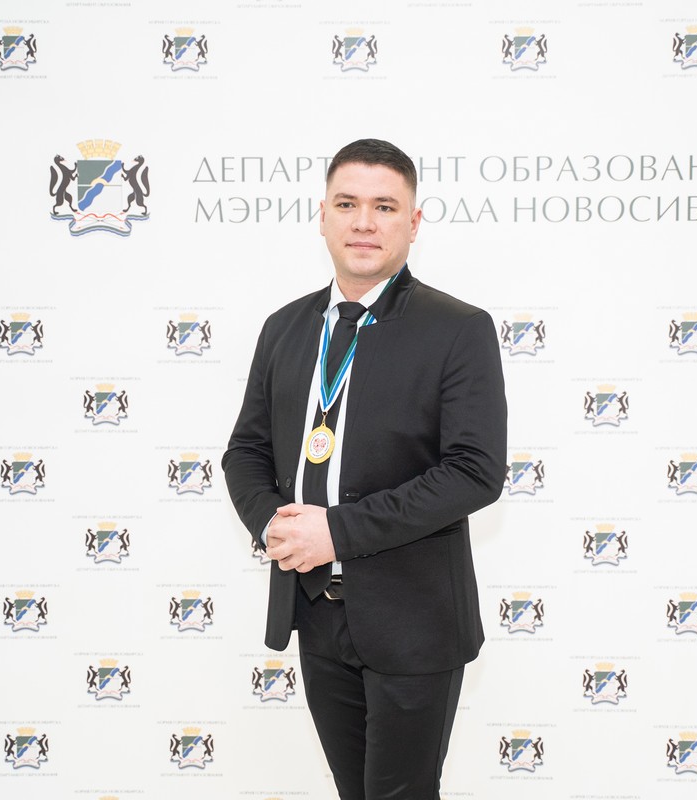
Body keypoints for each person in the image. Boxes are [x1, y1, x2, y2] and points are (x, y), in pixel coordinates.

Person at [223, 138, 507, 800]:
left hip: (415, 622)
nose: (364, 222)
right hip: (314, 611)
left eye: (385, 206)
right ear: (322, 215)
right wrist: (276, 526)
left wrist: (336, 532)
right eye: (348, 204)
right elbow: (246, 451)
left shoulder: (458, 328)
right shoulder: (284, 327)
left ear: (413, 222)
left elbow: (474, 471)